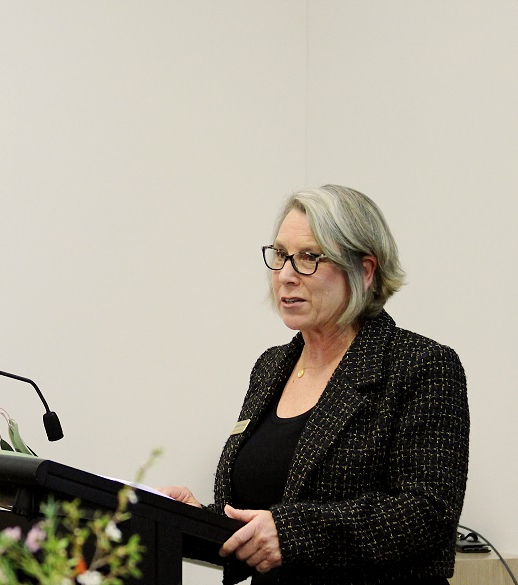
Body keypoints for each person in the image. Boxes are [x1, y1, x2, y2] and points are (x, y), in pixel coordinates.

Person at [161, 185, 469, 584]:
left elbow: (427, 513)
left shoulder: (420, 365)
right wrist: (191, 520)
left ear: (365, 269)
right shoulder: (271, 367)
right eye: (280, 255)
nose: (286, 275)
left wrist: (291, 533)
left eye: (309, 257)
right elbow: (262, 516)